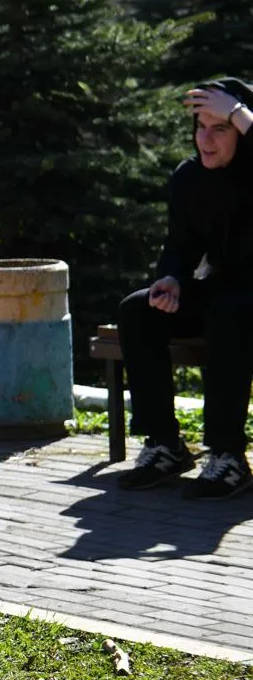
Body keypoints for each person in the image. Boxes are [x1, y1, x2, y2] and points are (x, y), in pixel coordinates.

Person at [115, 78, 253, 498]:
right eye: (201, 127)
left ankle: (228, 455)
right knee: (139, 310)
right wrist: (171, 278)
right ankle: (165, 443)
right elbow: (180, 245)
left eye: (221, 128)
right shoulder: (189, 178)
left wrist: (239, 110)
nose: (206, 140)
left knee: (229, 313)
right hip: (226, 293)